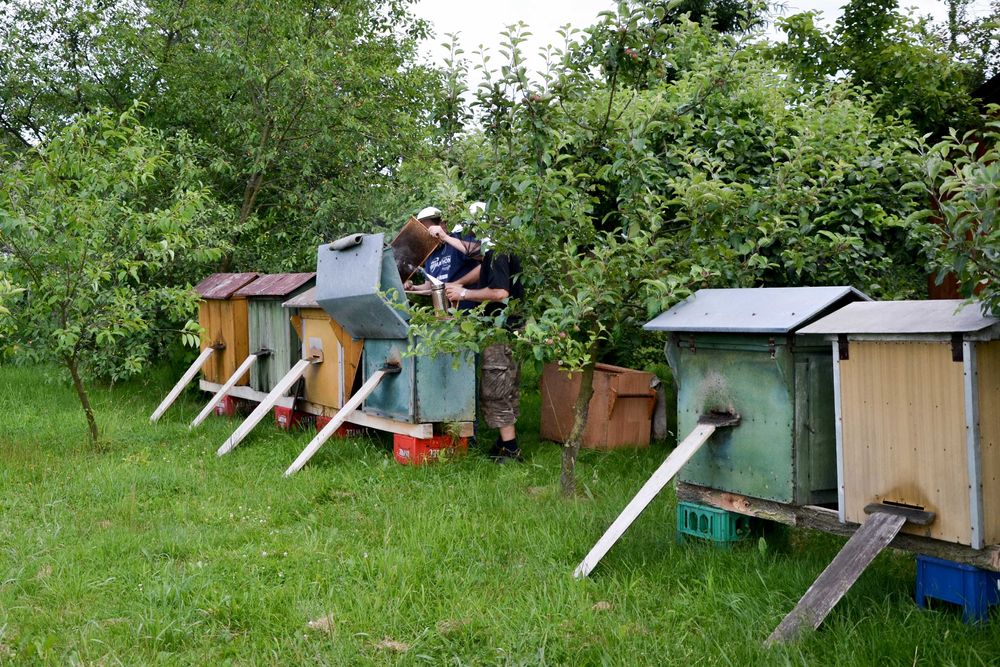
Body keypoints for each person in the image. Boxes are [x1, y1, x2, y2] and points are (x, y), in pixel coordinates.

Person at [445, 246, 524, 461]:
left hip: (500, 331)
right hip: (515, 329)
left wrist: (464, 293)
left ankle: (511, 450)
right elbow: (488, 273)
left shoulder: (496, 252)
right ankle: (503, 443)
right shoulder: (507, 249)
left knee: (495, 391)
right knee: (509, 389)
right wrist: (460, 283)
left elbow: (500, 292)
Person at [404, 206, 481, 295]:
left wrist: (445, 237)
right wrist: (414, 288)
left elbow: (481, 255)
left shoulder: (458, 238)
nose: (425, 234)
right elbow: (430, 286)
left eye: (428, 229)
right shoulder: (431, 253)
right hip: (444, 303)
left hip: (470, 300)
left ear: (442, 225)